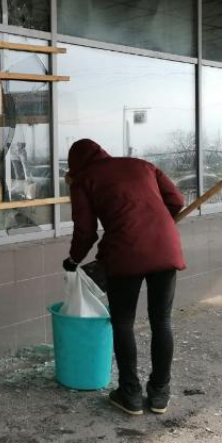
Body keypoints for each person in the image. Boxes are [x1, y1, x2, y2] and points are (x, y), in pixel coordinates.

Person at [62, 139, 186, 416]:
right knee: (161, 320)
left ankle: (130, 394)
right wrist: (154, 222)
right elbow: (176, 201)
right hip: (165, 248)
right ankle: (159, 394)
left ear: (75, 163)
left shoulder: (84, 179)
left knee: (123, 322)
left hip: (125, 254)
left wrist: (73, 260)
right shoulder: (142, 165)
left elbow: (86, 231)